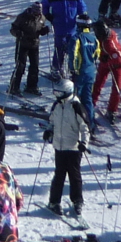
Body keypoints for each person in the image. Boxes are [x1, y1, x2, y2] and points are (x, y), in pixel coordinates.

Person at [44, 77, 89, 220]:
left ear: (67, 91)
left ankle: (77, 200)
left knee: (74, 175)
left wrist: (84, 143)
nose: (57, 96)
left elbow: (85, 127)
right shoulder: (57, 105)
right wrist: (49, 130)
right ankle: (54, 201)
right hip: (59, 146)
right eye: (56, 93)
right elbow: (51, 121)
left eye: (59, 93)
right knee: (59, 175)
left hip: (74, 147)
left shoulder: (76, 106)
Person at [40, 0, 86, 81]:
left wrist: (82, 16)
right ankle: (56, 69)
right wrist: (48, 15)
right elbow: (43, 5)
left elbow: (82, 7)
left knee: (73, 50)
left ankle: (73, 70)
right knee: (59, 50)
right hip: (59, 28)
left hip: (72, 29)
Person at [8, 4, 49, 97]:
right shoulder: (23, 17)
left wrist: (44, 31)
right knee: (20, 66)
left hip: (34, 45)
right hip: (22, 44)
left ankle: (31, 86)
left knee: (35, 66)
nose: (37, 14)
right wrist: (18, 33)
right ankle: (14, 87)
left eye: (39, 12)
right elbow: (13, 28)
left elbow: (40, 28)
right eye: (35, 12)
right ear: (32, 10)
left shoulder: (42, 17)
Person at [71, 17, 102, 130]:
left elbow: (73, 56)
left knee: (75, 98)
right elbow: (97, 55)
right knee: (87, 98)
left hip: (80, 72)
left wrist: (73, 69)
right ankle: (90, 123)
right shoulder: (94, 39)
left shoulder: (77, 38)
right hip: (91, 71)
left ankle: (74, 124)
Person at [93, 20, 121, 123]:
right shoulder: (101, 37)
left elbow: (119, 57)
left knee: (117, 87)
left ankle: (112, 110)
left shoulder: (109, 43)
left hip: (116, 65)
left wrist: (108, 58)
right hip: (105, 62)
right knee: (98, 83)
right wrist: (101, 56)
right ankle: (90, 103)